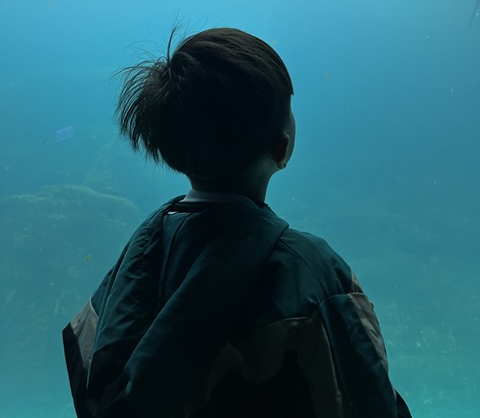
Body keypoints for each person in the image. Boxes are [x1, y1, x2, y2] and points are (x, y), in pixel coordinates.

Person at [63, 27, 412, 418]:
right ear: (282, 147)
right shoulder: (311, 270)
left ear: (170, 146)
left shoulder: (134, 258)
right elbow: (364, 399)